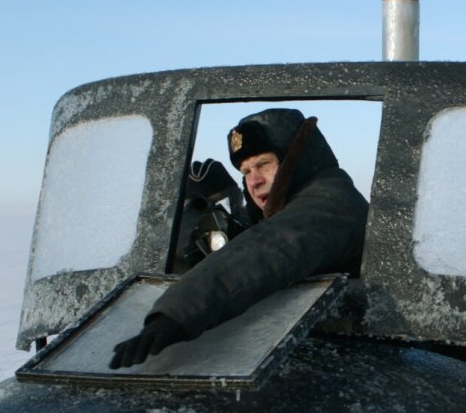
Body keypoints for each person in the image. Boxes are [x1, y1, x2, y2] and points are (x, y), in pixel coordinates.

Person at [110, 108, 369, 369]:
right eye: (245, 172)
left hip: (348, 355)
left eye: (264, 164)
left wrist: (176, 314)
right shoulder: (291, 207)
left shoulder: (330, 203)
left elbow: (265, 250)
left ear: (296, 161)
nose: (253, 181)